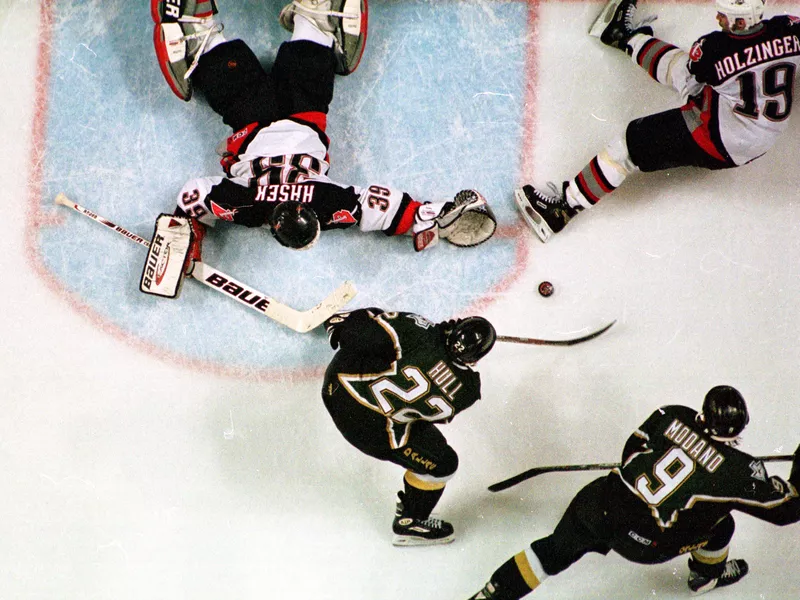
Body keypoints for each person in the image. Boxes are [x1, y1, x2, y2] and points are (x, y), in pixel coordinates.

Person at [150, 0, 496, 274]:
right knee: (242, 89)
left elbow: (384, 207)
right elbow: (193, 193)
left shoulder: (326, 204)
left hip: (302, 119)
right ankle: (199, 33)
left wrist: (434, 217)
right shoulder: (246, 206)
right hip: (253, 124)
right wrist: (184, 228)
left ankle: (315, 20)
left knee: (304, 76)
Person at [466, 386, 800, 598]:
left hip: (598, 502)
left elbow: (631, 450)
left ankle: (491, 595)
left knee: (551, 551)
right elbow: (786, 511)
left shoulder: (673, 414)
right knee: (722, 524)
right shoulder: (739, 469)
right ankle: (706, 576)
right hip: (645, 544)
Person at [514, 0, 800, 242]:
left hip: (720, 137)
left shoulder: (714, 48)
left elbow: (697, 73)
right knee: (686, 73)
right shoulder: (790, 27)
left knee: (630, 145)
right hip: (764, 131)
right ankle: (620, 36)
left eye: (724, 14)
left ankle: (561, 210)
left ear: (739, 21)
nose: (717, 16)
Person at [321, 307, 496, 545]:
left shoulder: (417, 330)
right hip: (372, 435)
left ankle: (343, 318)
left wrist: (344, 325)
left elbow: (359, 337)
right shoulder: (468, 391)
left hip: (339, 390)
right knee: (443, 465)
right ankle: (412, 519)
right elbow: (431, 416)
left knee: (378, 321)